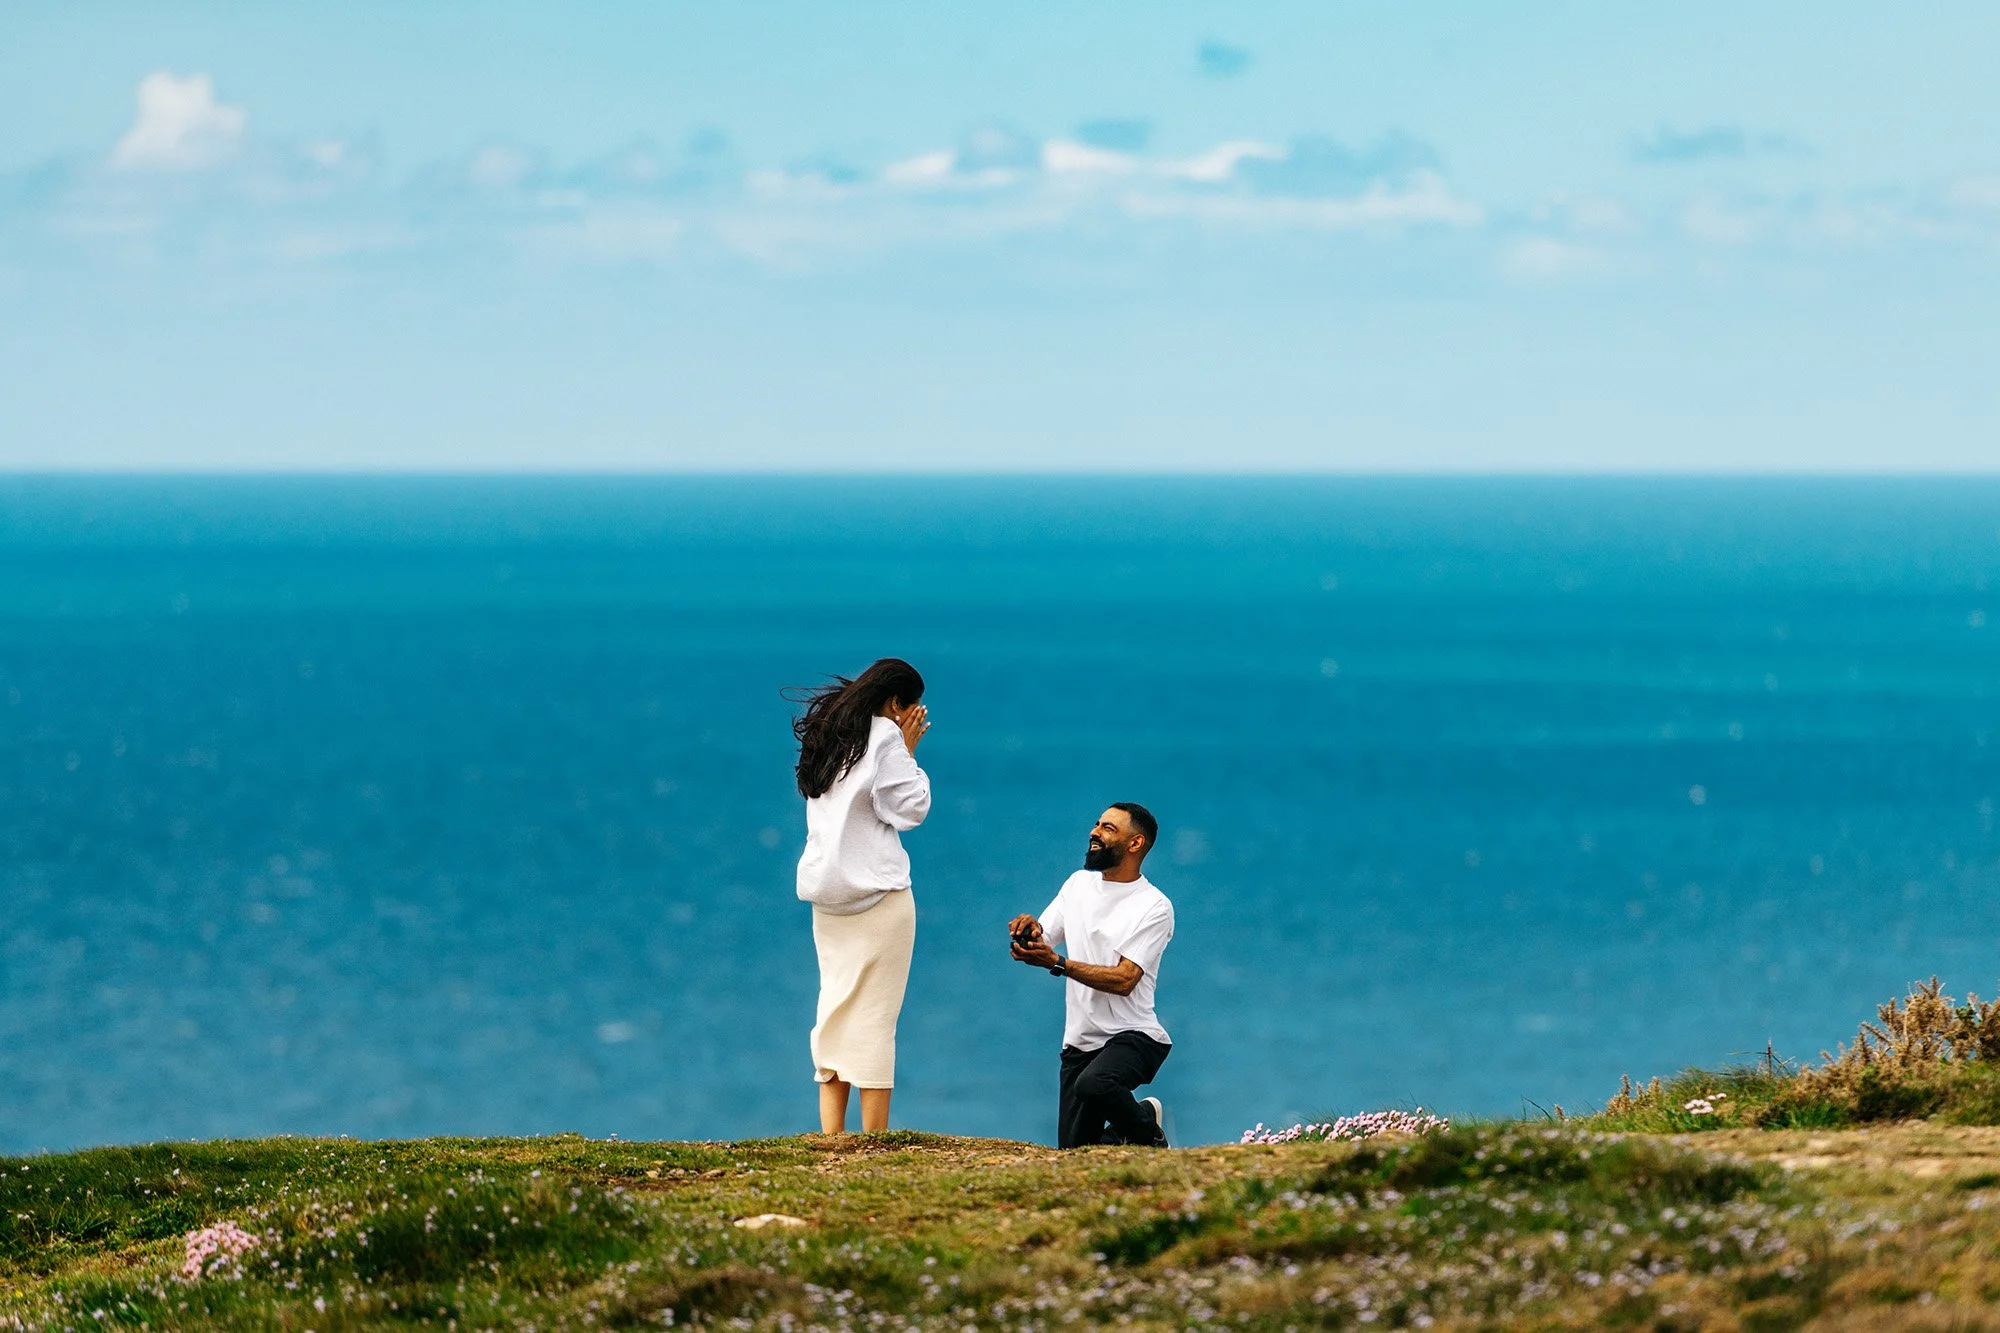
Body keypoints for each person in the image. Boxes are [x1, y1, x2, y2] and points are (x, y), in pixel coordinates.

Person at [790, 658, 931, 1134]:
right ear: (896, 703)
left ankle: (831, 1137)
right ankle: (875, 1137)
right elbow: (909, 809)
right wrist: (908, 752)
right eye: (910, 708)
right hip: (877, 896)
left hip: (827, 899)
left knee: (833, 1007)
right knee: (874, 1016)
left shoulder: (828, 735)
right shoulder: (886, 736)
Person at [1008, 803, 1175, 1148]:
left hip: (1135, 1036)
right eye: (1097, 824)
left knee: (1095, 1084)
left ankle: (1149, 1135)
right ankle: (1128, 1129)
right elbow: (1046, 935)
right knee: (1075, 1153)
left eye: (1109, 828)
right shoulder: (1078, 885)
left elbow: (1125, 980)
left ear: (1135, 844)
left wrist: (1059, 964)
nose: (1094, 831)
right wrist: (1029, 933)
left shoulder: (1154, 906)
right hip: (1080, 1042)